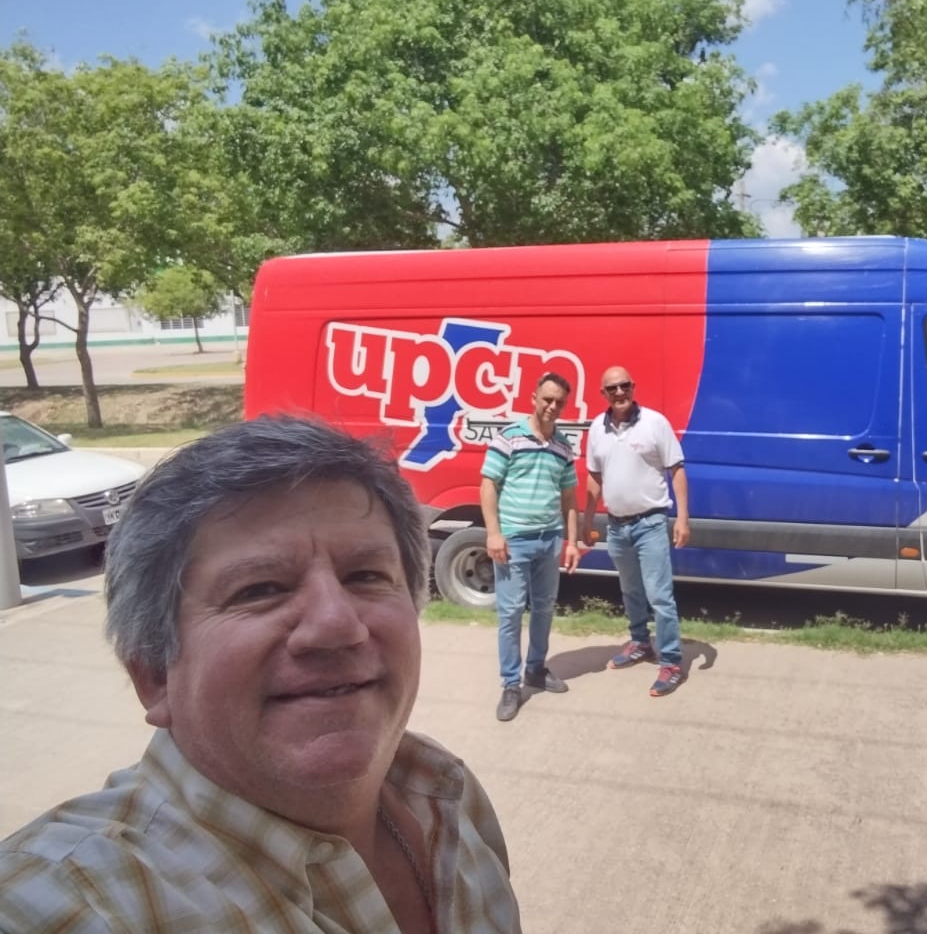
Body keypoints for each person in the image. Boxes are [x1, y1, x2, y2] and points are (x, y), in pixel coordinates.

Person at [0, 416, 522, 934]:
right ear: (155, 674)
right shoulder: (76, 904)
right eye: (259, 589)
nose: (337, 625)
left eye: (365, 575)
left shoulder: (445, 794)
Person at [581, 366, 689, 696]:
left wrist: (682, 518)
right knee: (630, 591)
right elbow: (594, 476)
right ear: (603, 394)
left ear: (633, 387)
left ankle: (671, 662)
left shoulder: (655, 422)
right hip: (617, 526)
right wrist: (587, 520)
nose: (619, 392)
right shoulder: (597, 428)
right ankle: (641, 643)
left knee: (659, 595)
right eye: (612, 388)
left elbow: (676, 469)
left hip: (650, 523)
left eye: (624, 386)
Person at [481, 372, 580, 722]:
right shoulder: (509, 437)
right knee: (510, 614)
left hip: (549, 539)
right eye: (547, 399)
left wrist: (571, 542)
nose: (552, 406)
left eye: (559, 402)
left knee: (544, 608)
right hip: (514, 540)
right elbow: (488, 484)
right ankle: (511, 684)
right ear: (534, 398)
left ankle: (536, 669)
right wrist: (493, 533)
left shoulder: (563, 446)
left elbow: (569, 498)